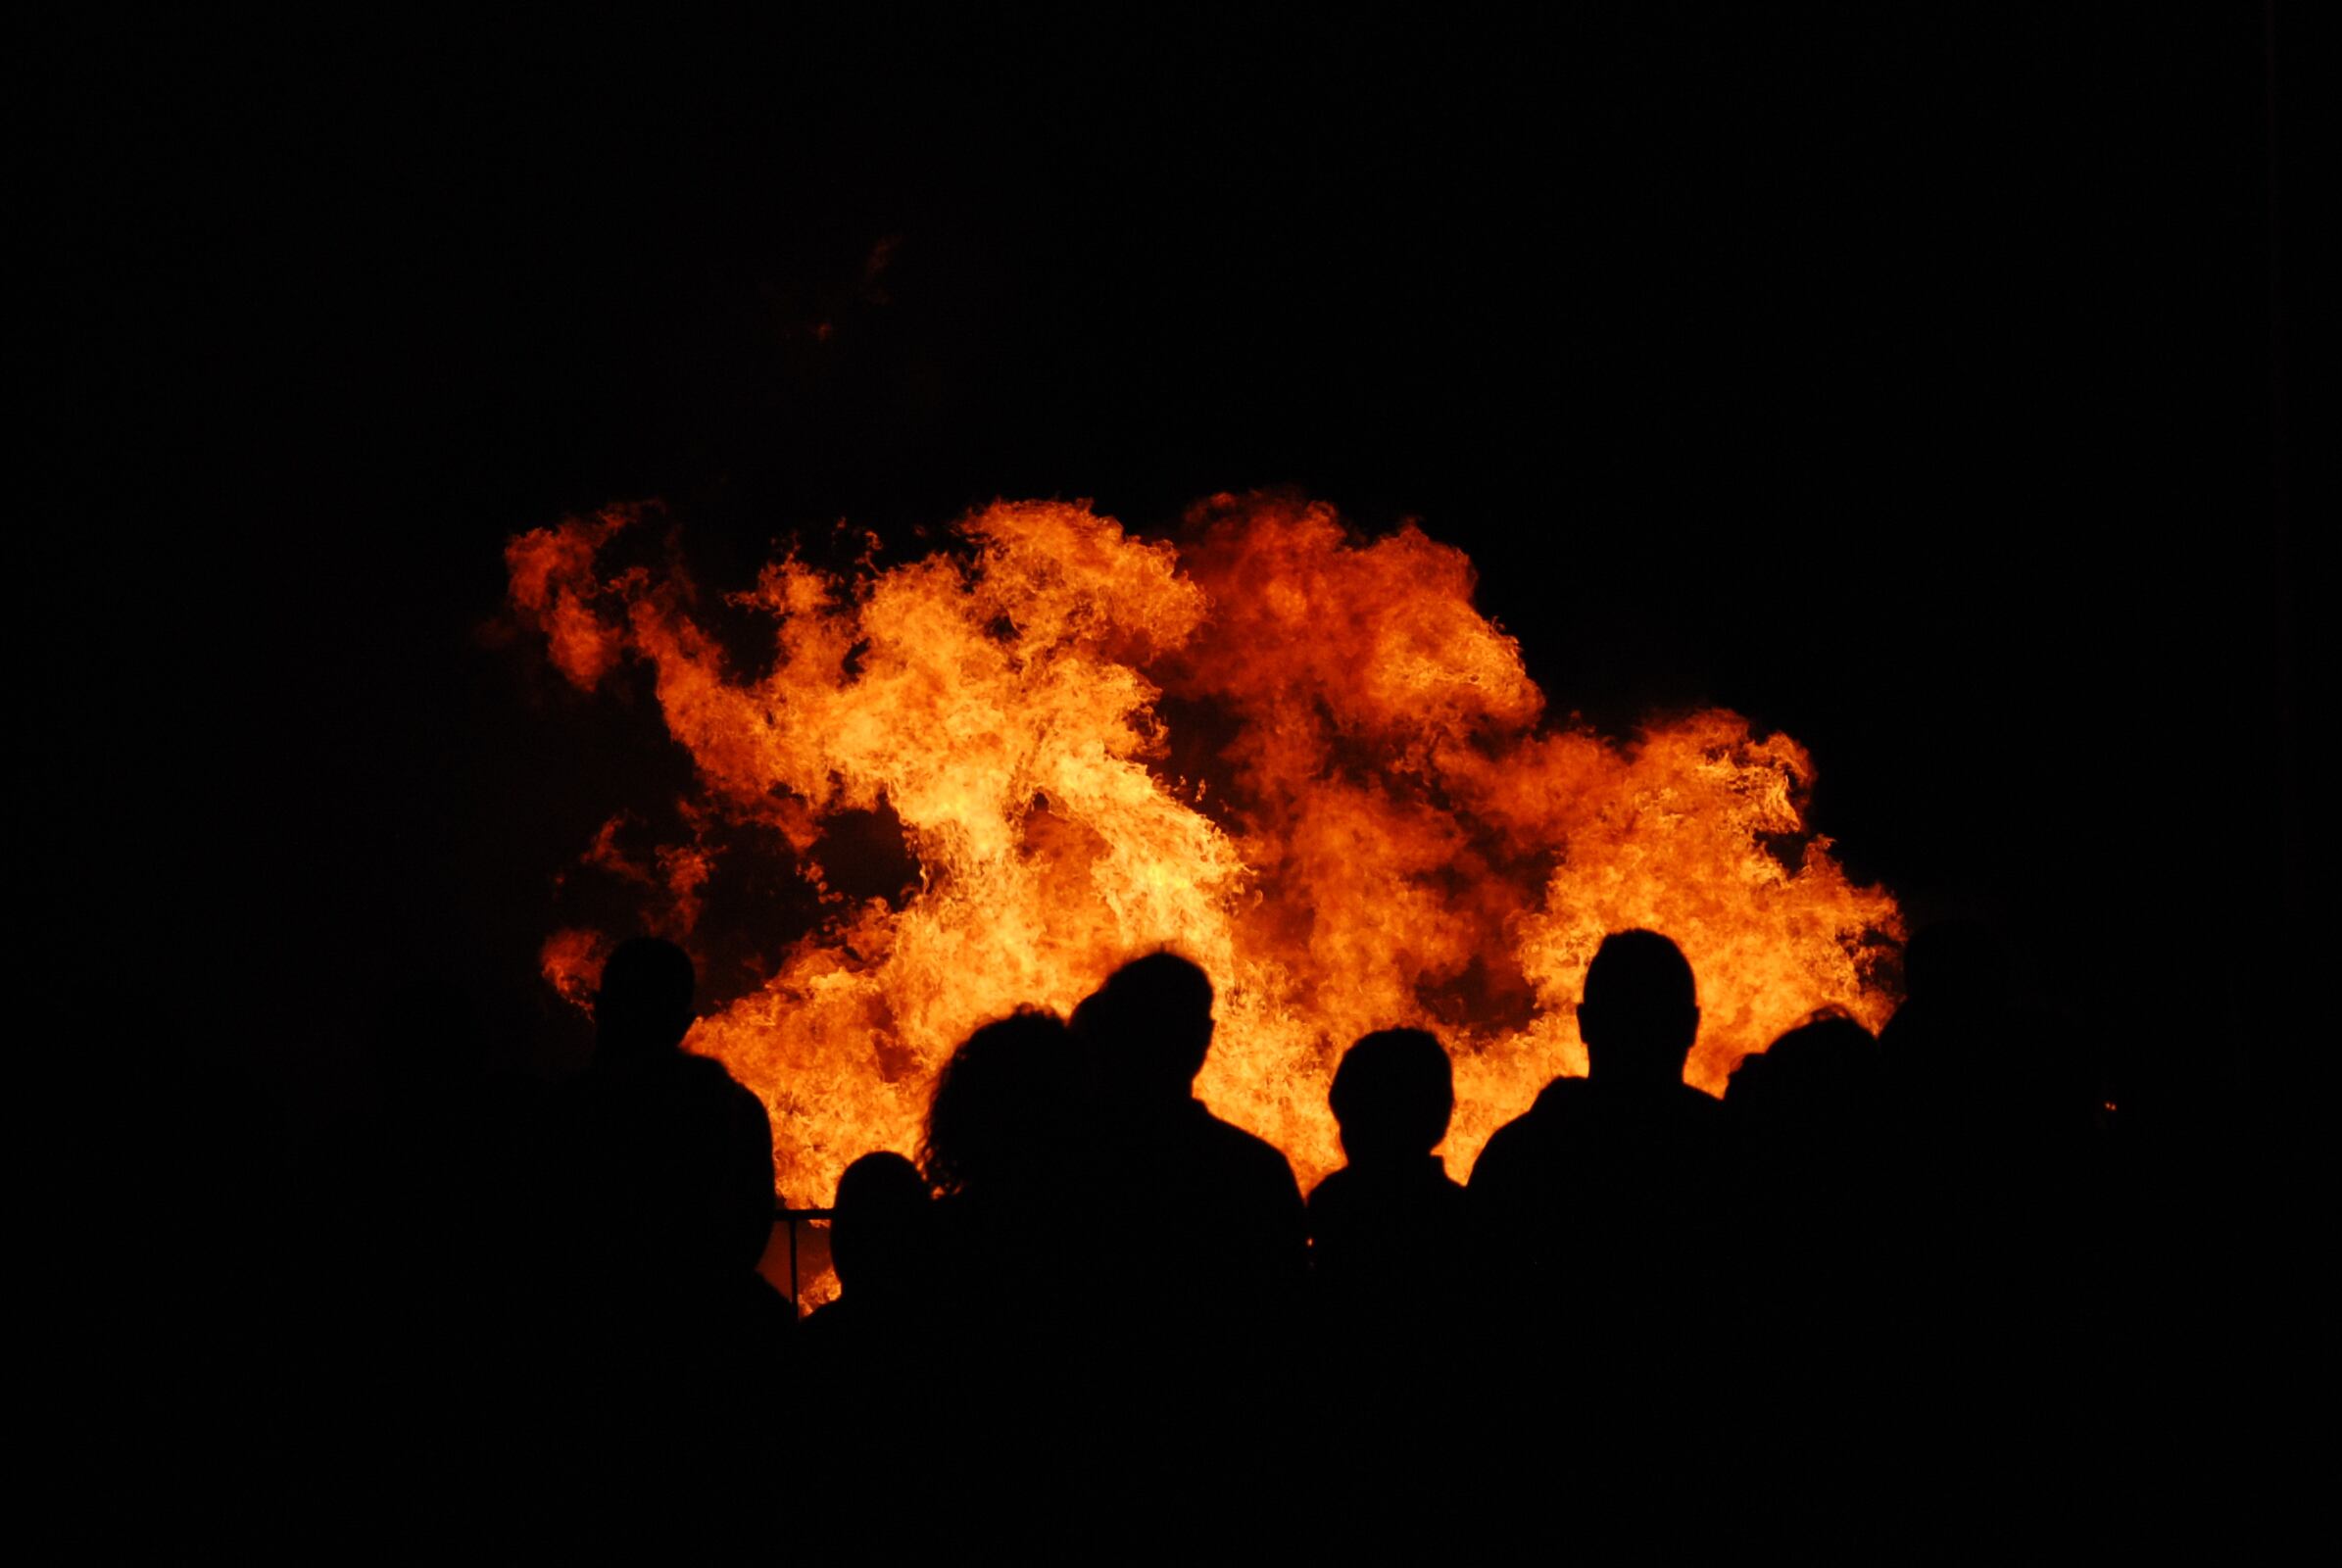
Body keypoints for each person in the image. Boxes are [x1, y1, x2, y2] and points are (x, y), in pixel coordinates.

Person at [1307, 1027, 1467, 1312]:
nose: (1343, 1137)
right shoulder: (1467, 1215)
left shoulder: (1333, 1203)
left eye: (1350, 1122)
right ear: (1442, 1117)